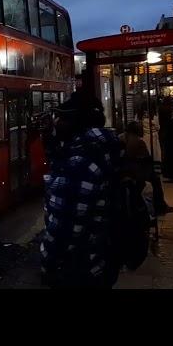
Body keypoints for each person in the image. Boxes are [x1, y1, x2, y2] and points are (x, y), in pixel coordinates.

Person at [40, 91, 124, 289]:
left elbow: (65, 226)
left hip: (77, 268)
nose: (57, 122)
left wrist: (49, 264)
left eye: (62, 118)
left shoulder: (79, 163)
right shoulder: (102, 147)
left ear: (76, 122)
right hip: (100, 260)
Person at [119, 121, 173, 215]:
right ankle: (160, 206)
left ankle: (161, 205)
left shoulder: (121, 138)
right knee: (156, 180)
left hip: (126, 170)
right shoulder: (138, 142)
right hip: (135, 172)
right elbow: (145, 160)